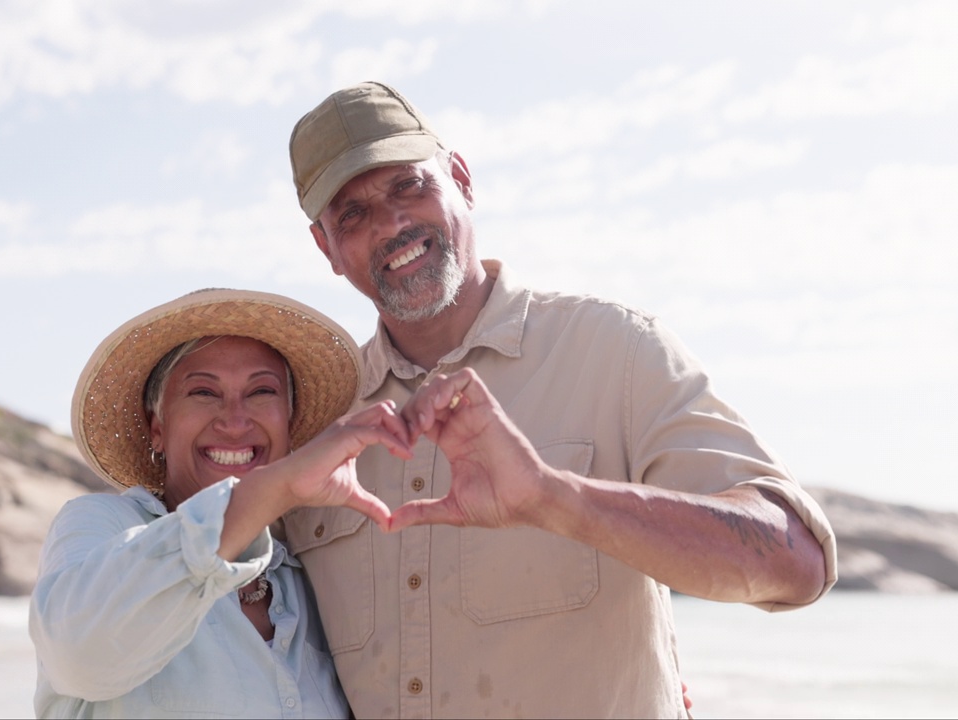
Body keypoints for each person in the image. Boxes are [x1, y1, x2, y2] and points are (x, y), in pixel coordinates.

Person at [282, 81, 839, 718]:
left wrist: (556, 499)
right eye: (351, 214)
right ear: (326, 248)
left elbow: (796, 564)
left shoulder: (617, 351)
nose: (391, 223)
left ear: (461, 179)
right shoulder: (319, 423)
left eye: (410, 186)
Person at [29, 288, 413, 718]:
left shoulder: (301, 578)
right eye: (204, 393)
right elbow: (80, 656)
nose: (234, 420)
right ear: (157, 427)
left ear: (289, 422)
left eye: (262, 391)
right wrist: (272, 489)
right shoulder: (101, 524)